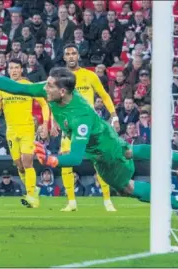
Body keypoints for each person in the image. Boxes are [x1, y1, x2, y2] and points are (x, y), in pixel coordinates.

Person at [0, 58, 178, 226]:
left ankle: (176, 200)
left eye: (49, 85)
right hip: (101, 139)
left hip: (101, 149)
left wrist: (51, 160)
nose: (44, 87)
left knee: (126, 187)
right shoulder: (52, 92)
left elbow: (75, 157)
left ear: (62, 92)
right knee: (130, 154)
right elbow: (18, 87)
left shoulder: (79, 115)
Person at [58, 44, 118, 212]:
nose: (71, 56)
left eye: (73, 53)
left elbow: (104, 96)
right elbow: (53, 101)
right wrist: (53, 123)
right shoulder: (60, 78)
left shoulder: (89, 76)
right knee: (66, 163)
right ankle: (71, 202)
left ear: (78, 56)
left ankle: (107, 200)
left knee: (99, 161)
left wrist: (114, 116)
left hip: (89, 126)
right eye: (68, 54)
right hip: (68, 127)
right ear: (64, 57)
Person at [0, 59, 50, 208]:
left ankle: (32, 197)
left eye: (16, 68)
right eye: (11, 68)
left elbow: (44, 104)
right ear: (8, 70)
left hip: (27, 129)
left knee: (27, 162)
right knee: (19, 165)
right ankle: (33, 188)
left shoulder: (28, 86)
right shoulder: (2, 87)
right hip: (11, 131)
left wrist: (45, 123)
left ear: (21, 70)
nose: (14, 70)